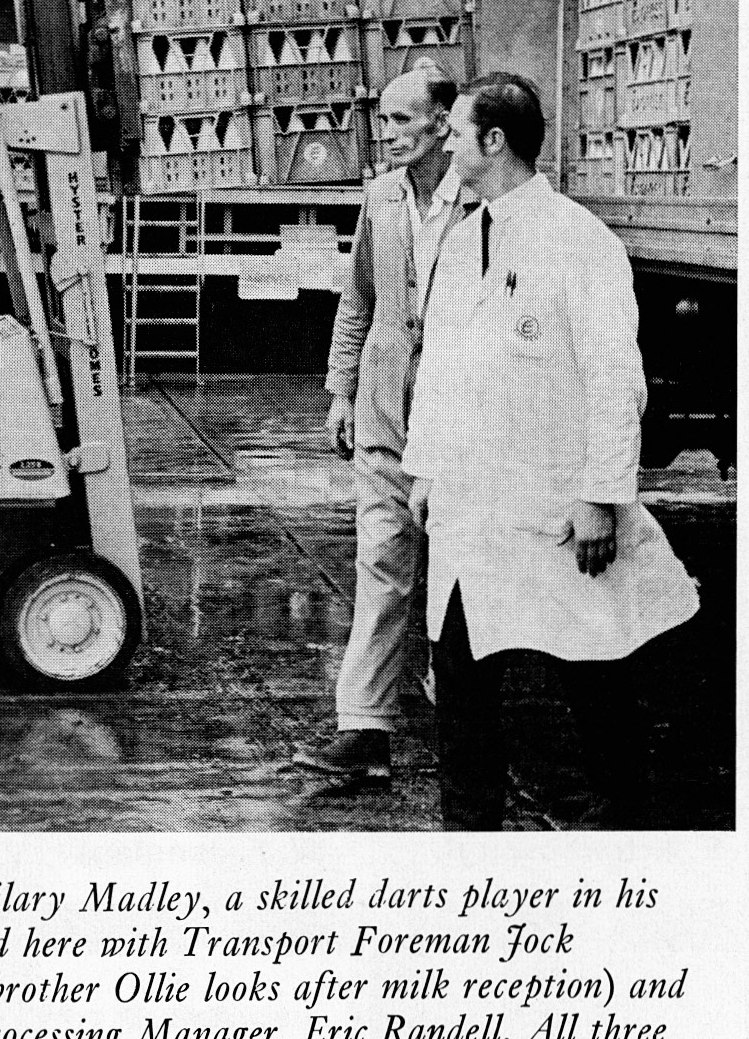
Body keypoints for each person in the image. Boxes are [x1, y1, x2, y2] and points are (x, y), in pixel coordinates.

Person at [403, 72, 699, 830]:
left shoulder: (579, 240)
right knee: (461, 683)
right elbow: (439, 366)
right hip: (472, 514)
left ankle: (628, 829)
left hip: (555, 510)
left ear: (494, 141)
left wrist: (602, 495)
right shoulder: (461, 240)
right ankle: (469, 839)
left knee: (591, 676)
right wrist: (425, 467)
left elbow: (615, 378)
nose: (446, 144)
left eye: (456, 133)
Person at [297, 63, 476, 787]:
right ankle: (364, 727)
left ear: (442, 122)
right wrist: (341, 390)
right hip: (384, 411)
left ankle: (456, 697)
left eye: (402, 119)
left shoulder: (481, 202)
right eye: (384, 119)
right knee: (381, 564)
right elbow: (358, 300)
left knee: (459, 570)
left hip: (457, 418)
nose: (388, 133)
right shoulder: (382, 196)